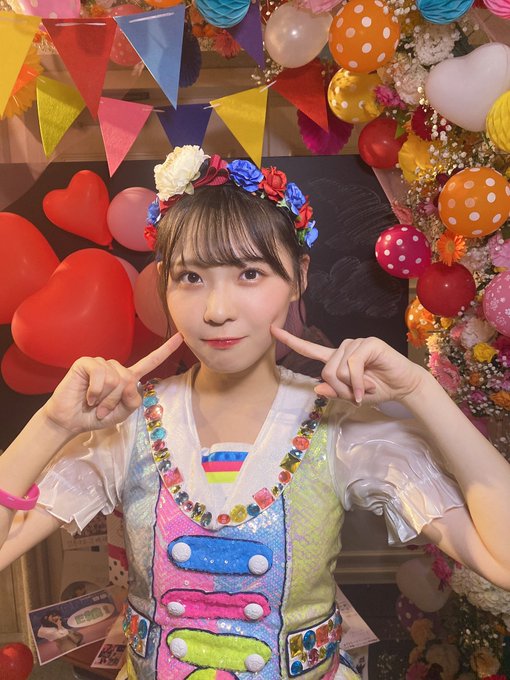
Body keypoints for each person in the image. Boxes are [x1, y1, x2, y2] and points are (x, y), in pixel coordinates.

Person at [1, 145, 510, 680]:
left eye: (249, 273)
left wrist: (422, 391)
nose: (217, 310)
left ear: (299, 277)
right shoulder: (128, 426)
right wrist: (52, 424)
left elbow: (502, 561)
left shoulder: (340, 428)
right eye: (190, 278)